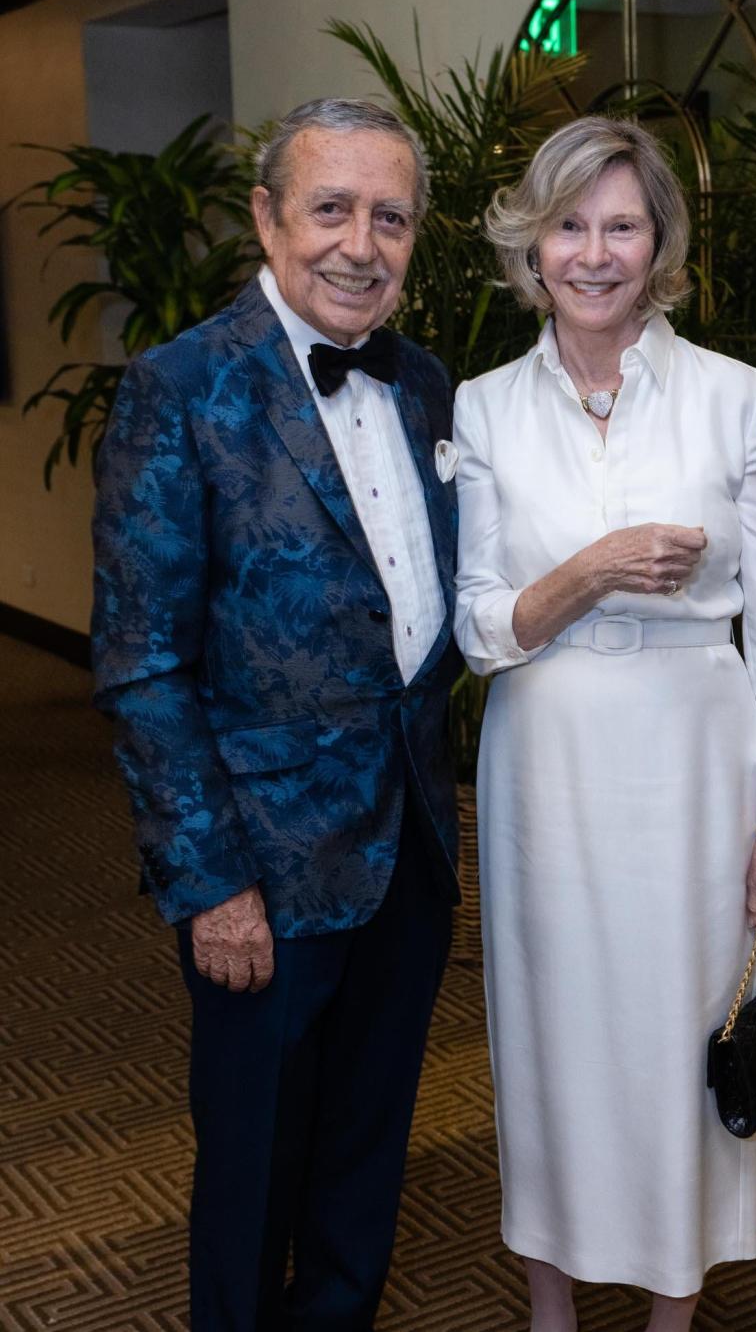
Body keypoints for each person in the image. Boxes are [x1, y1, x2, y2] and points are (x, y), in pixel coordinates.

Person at [91, 98, 462, 1332]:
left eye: (392, 216)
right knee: (253, 1170)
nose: (363, 243)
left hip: (405, 844)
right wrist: (212, 884)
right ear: (265, 216)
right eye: (332, 208)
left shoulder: (423, 386)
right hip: (263, 868)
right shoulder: (178, 388)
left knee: (366, 1158)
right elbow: (143, 663)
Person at [453, 116, 756, 1332]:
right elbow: (482, 627)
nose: (594, 253)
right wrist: (594, 568)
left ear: (658, 242)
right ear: (532, 242)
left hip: (695, 749)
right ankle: (549, 1300)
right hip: (544, 752)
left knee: (678, 1026)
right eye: (569, 225)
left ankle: (673, 1304)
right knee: (547, 1029)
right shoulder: (487, 406)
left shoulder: (733, 395)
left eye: (621, 225)